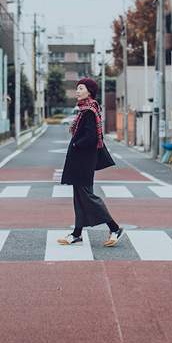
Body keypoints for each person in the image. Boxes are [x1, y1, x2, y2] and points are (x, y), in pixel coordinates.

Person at [58, 77, 123, 247]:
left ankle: (115, 228)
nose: (77, 91)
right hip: (82, 160)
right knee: (80, 197)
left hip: (83, 161)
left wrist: (75, 144)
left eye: (80, 88)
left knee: (87, 196)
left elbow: (91, 137)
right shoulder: (87, 109)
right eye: (77, 88)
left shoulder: (88, 111)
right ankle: (76, 234)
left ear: (89, 91)